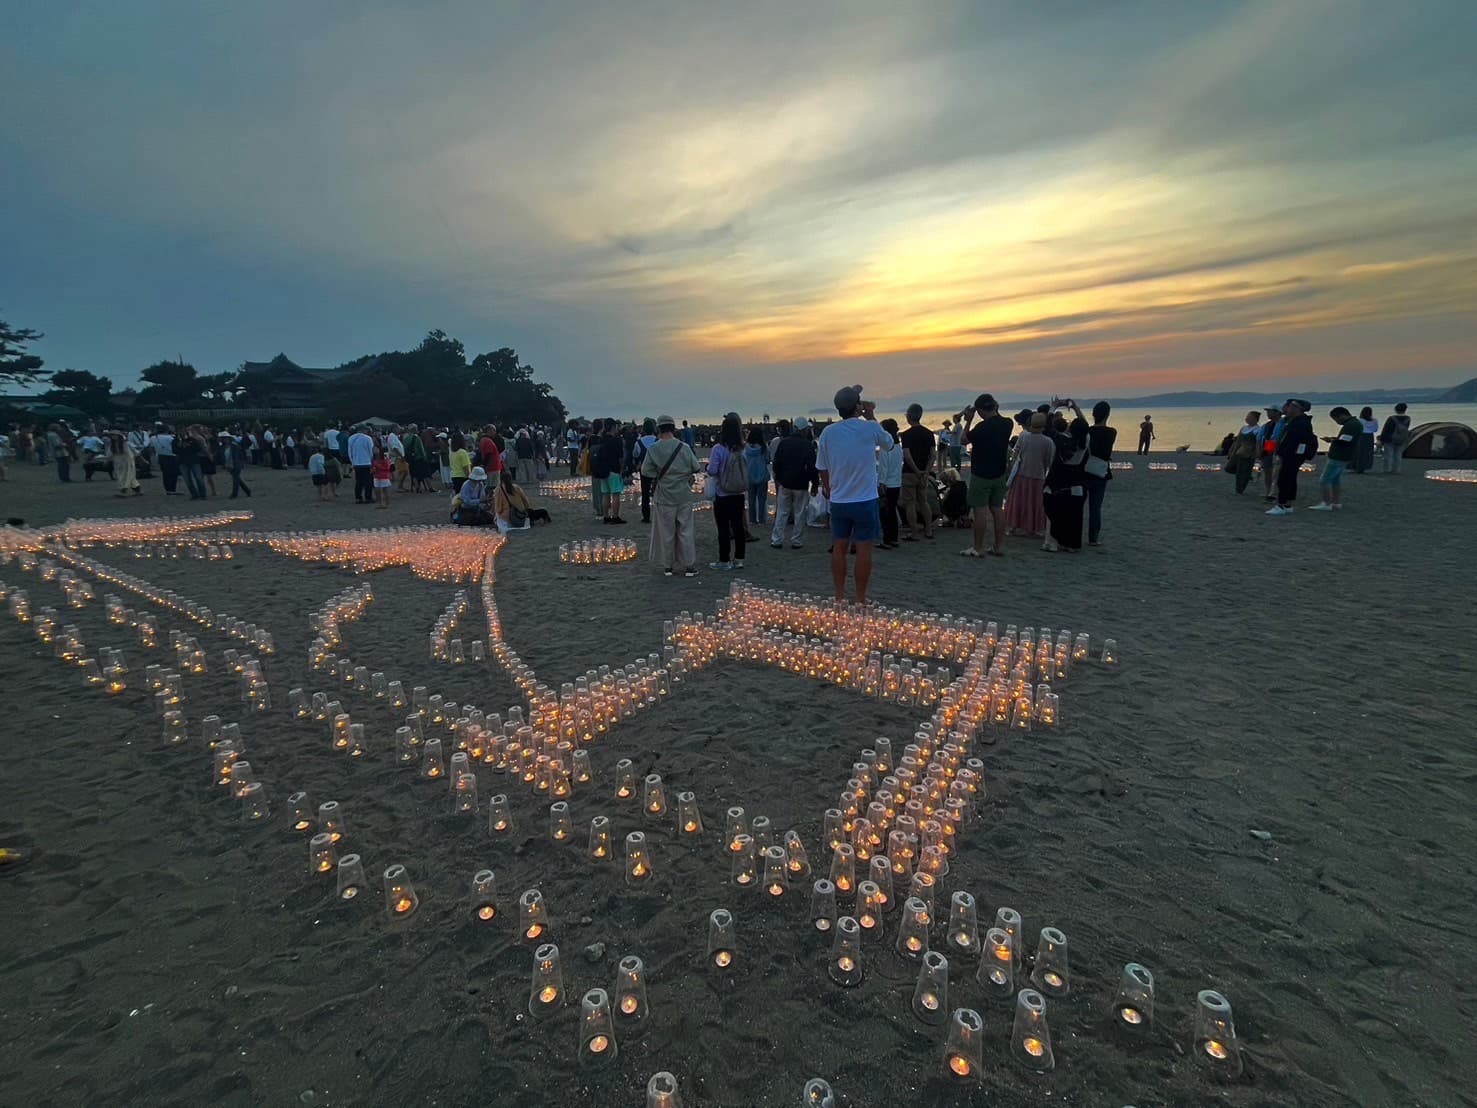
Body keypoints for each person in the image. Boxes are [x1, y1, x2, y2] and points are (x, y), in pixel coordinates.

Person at [816, 385, 894, 603]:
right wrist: (871, 416)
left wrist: (829, 488)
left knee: (839, 547)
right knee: (863, 549)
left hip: (840, 500)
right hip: (865, 499)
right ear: (857, 406)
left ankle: (839, 596)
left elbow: (822, 466)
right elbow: (889, 444)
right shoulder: (869, 428)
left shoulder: (828, 433)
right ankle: (860, 599)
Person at [643, 415, 703, 577]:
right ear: (673, 428)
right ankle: (689, 566)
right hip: (683, 494)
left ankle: (668, 566)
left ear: (659, 429)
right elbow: (696, 467)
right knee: (685, 530)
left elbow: (645, 471)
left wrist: (660, 474)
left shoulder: (654, 449)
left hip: (664, 495)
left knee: (666, 532)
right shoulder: (683, 447)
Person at [959, 394, 1014, 557]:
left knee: (980, 510)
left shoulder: (982, 428)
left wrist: (968, 420)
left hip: (981, 474)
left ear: (982, 410)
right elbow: (998, 417)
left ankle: (978, 547)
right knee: (997, 509)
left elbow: (963, 440)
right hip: (999, 473)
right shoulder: (1007, 423)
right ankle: (999, 546)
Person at [1042, 402, 1089, 552]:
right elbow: (1084, 425)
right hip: (1076, 479)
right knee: (1073, 514)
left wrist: (1053, 407)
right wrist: (1075, 408)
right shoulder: (1085, 441)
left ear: (1071, 429)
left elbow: (1048, 427)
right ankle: (1071, 544)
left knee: (1054, 511)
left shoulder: (1063, 441)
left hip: (1059, 478)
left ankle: (1052, 542)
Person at [706, 413, 748, 569]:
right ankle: (739, 559)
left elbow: (712, 470)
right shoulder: (742, 448)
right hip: (738, 492)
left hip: (722, 493)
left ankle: (724, 560)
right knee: (738, 527)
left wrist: (708, 469)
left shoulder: (718, 449)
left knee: (723, 528)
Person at [770, 417, 817, 549]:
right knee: (800, 513)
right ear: (804, 430)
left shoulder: (784, 443)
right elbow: (812, 467)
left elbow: (776, 463)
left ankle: (777, 539)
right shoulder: (808, 445)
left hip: (785, 483)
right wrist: (814, 484)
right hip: (801, 483)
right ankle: (796, 540)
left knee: (782, 513)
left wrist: (778, 478)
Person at [1005, 412, 1053, 537]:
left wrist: (1011, 468)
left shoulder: (1024, 436)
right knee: (1035, 503)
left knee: (1018, 502)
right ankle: (1034, 528)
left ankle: (1013, 526)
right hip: (1038, 475)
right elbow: (1049, 461)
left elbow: (1016, 453)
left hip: (1021, 473)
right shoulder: (1048, 441)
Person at [1267, 399, 1317, 516]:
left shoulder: (1300, 423)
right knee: (1290, 478)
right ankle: (1287, 504)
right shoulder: (1293, 421)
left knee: (1284, 479)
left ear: (1296, 408)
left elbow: (1291, 440)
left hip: (1292, 455)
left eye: (1288, 407)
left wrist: (1280, 451)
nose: (1286, 409)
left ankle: (1281, 504)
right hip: (1291, 454)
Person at [1312, 406, 1362, 511]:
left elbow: (1345, 441)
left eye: (1336, 419)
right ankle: (1335, 502)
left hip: (1339, 455)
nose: (1337, 422)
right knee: (1335, 480)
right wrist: (1334, 439)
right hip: (1345, 455)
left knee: (1325, 480)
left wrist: (1332, 440)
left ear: (1342, 415)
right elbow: (1345, 439)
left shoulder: (1351, 425)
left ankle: (1326, 503)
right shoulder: (1354, 424)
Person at [1081, 402, 1117, 547]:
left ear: (1093, 415)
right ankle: (1093, 538)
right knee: (1095, 507)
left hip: (1085, 470)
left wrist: (1077, 409)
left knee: (1079, 505)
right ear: (1107, 415)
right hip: (1101, 471)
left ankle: (1075, 534)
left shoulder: (1088, 432)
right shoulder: (1111, 432)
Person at [898, 404, 935, 541]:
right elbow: (933, 455)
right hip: (924, 473)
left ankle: (914, 532)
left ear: (909, 416)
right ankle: (929, 530)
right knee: (923, 501)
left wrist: (916, 470)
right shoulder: (929, 433)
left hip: (909, 473)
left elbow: (907, 456)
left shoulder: (906, 435)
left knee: (910, 503)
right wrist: (926, 471)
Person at [876, 418, 904, 548]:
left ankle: (887, 539)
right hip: (896, 482)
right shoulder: (898, 447)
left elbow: (883, 467)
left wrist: (881, 483)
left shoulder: (885, 448)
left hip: (887, 483)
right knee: (892, 510)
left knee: (885, 512)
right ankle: (893, 538)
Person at [600, 420, 628, 524]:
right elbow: (621, 457)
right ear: (613, 427)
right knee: (615, 494)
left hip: (603, 470)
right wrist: (621, 469)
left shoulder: (601, 439)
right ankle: (615, 516)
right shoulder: (616, 440)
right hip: (614, 469)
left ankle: (606, 516)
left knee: (605, 494)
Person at [1227, 411, 1261, 495]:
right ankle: (1247, 476)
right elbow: (1237, 441)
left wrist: (1257, 453)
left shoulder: (1257, 430)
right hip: (1238, 451)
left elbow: (1258, 442)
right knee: (1229, 468)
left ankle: (1239, 489)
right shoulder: (1244, 428)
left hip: (1248, 453)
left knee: (1242, 471)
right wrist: (1231, 450)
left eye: (1249, 417)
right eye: (1247, 417)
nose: (1246, 418)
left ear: (1255, 419)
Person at [744, 426, 770, 528]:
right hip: (762, 475)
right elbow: (768, 460)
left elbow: (744, 460)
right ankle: (762, 520)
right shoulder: (764, 447)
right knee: (762, 499)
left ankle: (752, 519)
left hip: (749, 476)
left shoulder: (746, 448)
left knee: (751, 499)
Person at [633, 418, 658, 523]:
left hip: (644, 470)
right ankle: (658, 514)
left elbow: (635, 454)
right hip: (657, 470)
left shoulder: (639, 442)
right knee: (658, 493)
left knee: (645, 493)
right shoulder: (658, 441)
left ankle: (646, 516)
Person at [1379, 403, 1412, 474]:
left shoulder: (1391, 418)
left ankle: (1387, 469)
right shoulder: (1408, 419)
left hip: (1390, 438)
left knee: (1388, 455)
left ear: (1396, 409)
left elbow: (1386, 429)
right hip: (1402, 438)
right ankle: (1396, 470)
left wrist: (1381, 439)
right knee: (1398, 455)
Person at [347, 425, 375, 504]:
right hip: (366, 463)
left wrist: (352, 462)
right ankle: (368, 497)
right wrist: (371, 461)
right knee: (368, 481)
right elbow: (371, 452)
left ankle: (358, 498)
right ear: (364, 430)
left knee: (358, 481)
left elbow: (350, 452)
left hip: (356, 463)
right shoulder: (368, 438)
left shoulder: (351, 438)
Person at [1258, 406, 1282, 500]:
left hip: (1277, 448)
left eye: (1270, 411)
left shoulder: (1283, 424)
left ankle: (1275, 492)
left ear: (1277, 412)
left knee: (1276, 472)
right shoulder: (1267, 425)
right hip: (1267, 448)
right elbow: (1259, 438)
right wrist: (1259, 450)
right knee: (1267, 471)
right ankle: (1268, 491)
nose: (1268, 413)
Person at [112, 431, 141, 497]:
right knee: (125, 477)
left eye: (115, 435)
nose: (114, 436)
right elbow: (111, 454)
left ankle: (123, 492)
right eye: (113, 435)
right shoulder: (112, 444)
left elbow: (133, 452)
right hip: (119, 462)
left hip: (127, 461)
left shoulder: (125, 443)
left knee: (127, 476)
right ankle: (138, 491)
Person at [224, 432, 251, 498]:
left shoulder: (234, 446)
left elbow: (236, 457)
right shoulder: (228, 446)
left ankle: (234, 494)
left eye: (225, 438)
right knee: (237, 479)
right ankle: (247, 491)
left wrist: (233, 465)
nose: (224, 440)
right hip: (231, 464)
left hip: (236, 464)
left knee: (235, 479)